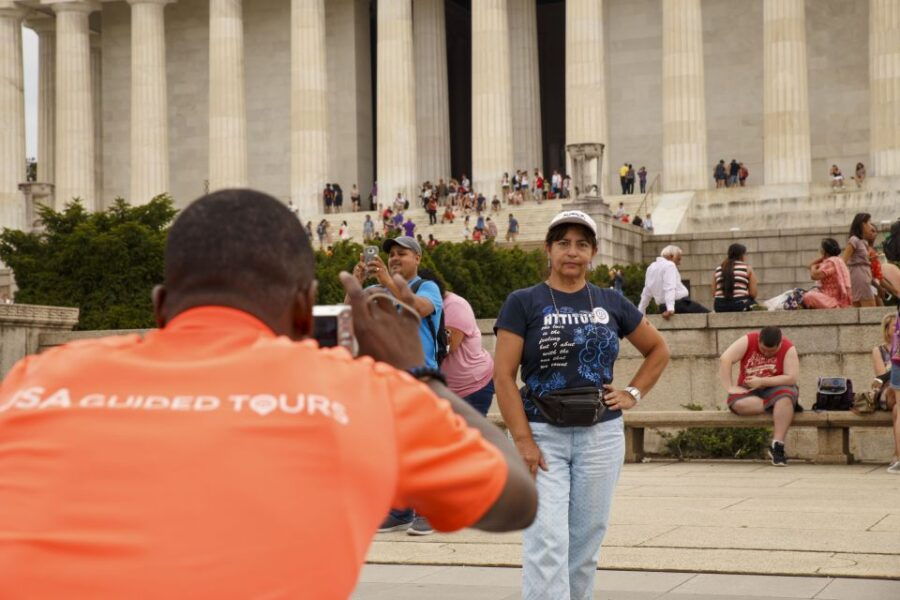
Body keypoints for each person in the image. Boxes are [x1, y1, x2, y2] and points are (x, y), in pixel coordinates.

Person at [0, 189, 537, 597]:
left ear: (161, 305)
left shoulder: (40, 379)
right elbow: (513, 500)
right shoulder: (355, 393)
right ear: (305, 310)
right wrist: (414, 374)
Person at [494, 210, 669, 599]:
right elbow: (503, 376)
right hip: (541, 435)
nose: (572, 252)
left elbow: (658, 350)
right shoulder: (523, 302)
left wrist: (633, 393)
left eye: (581, 244)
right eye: (563, 243)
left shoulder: (611, 301)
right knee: (546, 541)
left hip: (600, 436)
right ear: (548, 249)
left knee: (585, 545)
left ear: (593, 252)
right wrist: (522, 440)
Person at [351, 235, 447, 535]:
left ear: (417, 258)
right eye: (391, 253)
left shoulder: (426, 287)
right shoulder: (376, 291)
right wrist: (356, 286)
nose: (394, 258)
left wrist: (386, 281)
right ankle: (400, 510)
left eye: (401, 253)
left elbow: (419, 308)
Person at [719, 327, 800, 466]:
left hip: (776, 387)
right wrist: (730, 387)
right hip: (749, 390)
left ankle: (777, 445)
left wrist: (762, 381)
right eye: (763, 350)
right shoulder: (748, 340)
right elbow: (725, 358)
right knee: (739, 404)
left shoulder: (788, 348)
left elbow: (791, 378)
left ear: (780, 343)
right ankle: (780, 408)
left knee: (785, 397)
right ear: (759, 340)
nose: (767, 354)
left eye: (772, 351)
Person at [638, 245, 710, 318]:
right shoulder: (670, 265)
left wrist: (641, 311)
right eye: (678, 259)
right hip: (680, 304)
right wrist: (670, 309)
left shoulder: (651, 267)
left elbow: (647, 291)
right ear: (671, 256)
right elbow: (669, 287)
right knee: (710, 315)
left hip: (662, 307)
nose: (679, 263)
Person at [802, 238, 852, 309]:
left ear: (824, 250)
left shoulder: (831, 263)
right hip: (827, 296)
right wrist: (822, 258)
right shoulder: (836, 260)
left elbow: (814, 276)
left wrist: (813, 267)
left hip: (833, 299)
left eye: (821, 248)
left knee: (808, 296)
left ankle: (835, 306)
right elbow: (809, 266)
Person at [843, 213, 878, 307]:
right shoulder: (854, 240)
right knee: (870, 306)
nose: (871, 226)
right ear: (863, 224)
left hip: (863, 274)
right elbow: (843, 260)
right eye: (869, 222)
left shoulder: (862, 242)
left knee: (860, 306)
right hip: (859, 275)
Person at [712, 243, 758, 312]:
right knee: (756, 306)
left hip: (719, 306)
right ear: (742, 255)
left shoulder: (718, 269)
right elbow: (753, 293)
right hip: (740, 305)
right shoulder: (747, 268)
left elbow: (714, 293)